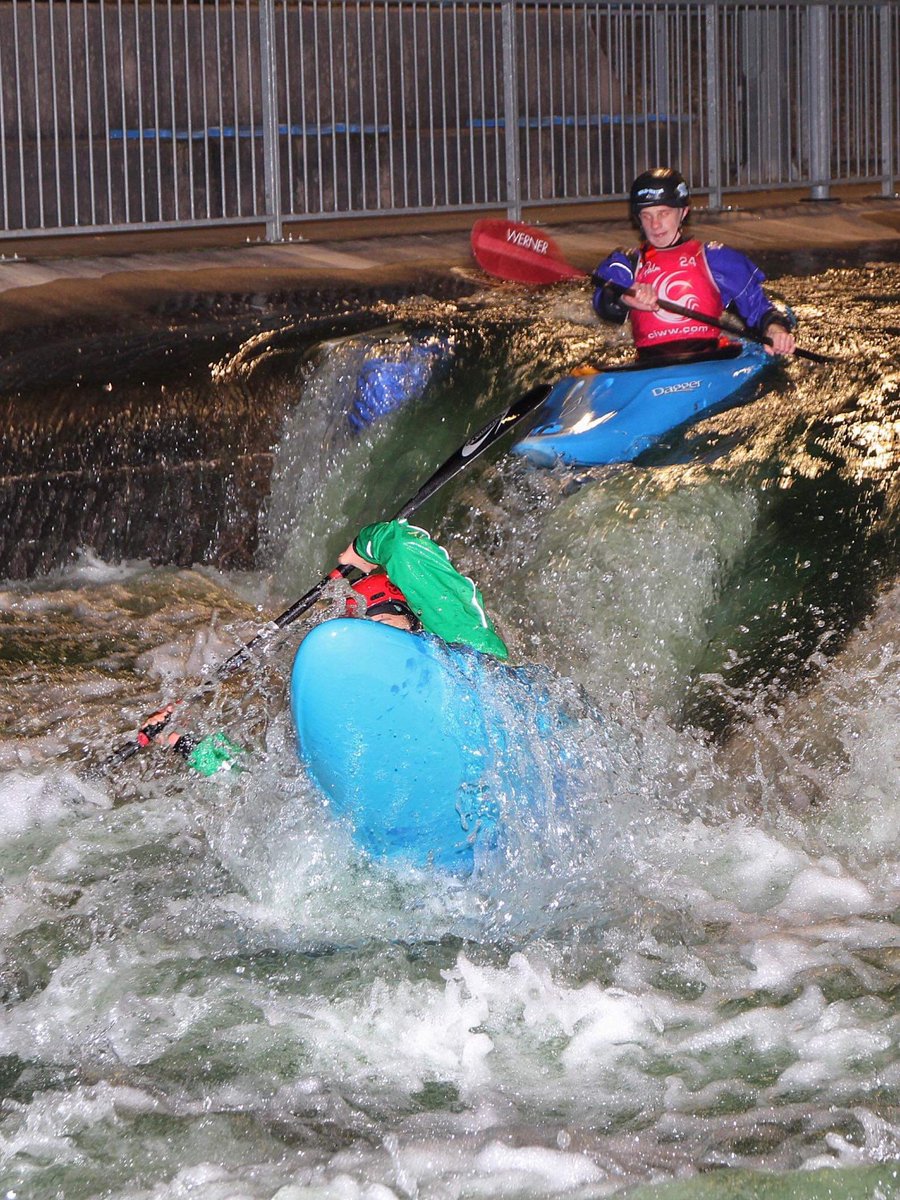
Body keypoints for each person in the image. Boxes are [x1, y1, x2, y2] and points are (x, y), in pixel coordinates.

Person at [138, 518, 507, 768]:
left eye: (387, 623)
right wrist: (177, 741)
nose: (379, 639)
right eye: (368, 631)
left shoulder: (463, 642)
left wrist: (365, 547)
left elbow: (406, 549)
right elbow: (255, 783)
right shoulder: (356, 727)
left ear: (413, 617)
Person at [593, 167, 796, 360]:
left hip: (709, 360)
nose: (655, 225)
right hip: (651, 363)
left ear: (683, 212)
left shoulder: (716, 259)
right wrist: (625, 298)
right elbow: (605, 297)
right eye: (647, 216)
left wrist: (775, 331)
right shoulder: (626, 262)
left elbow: (759, 307)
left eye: (663, 213)